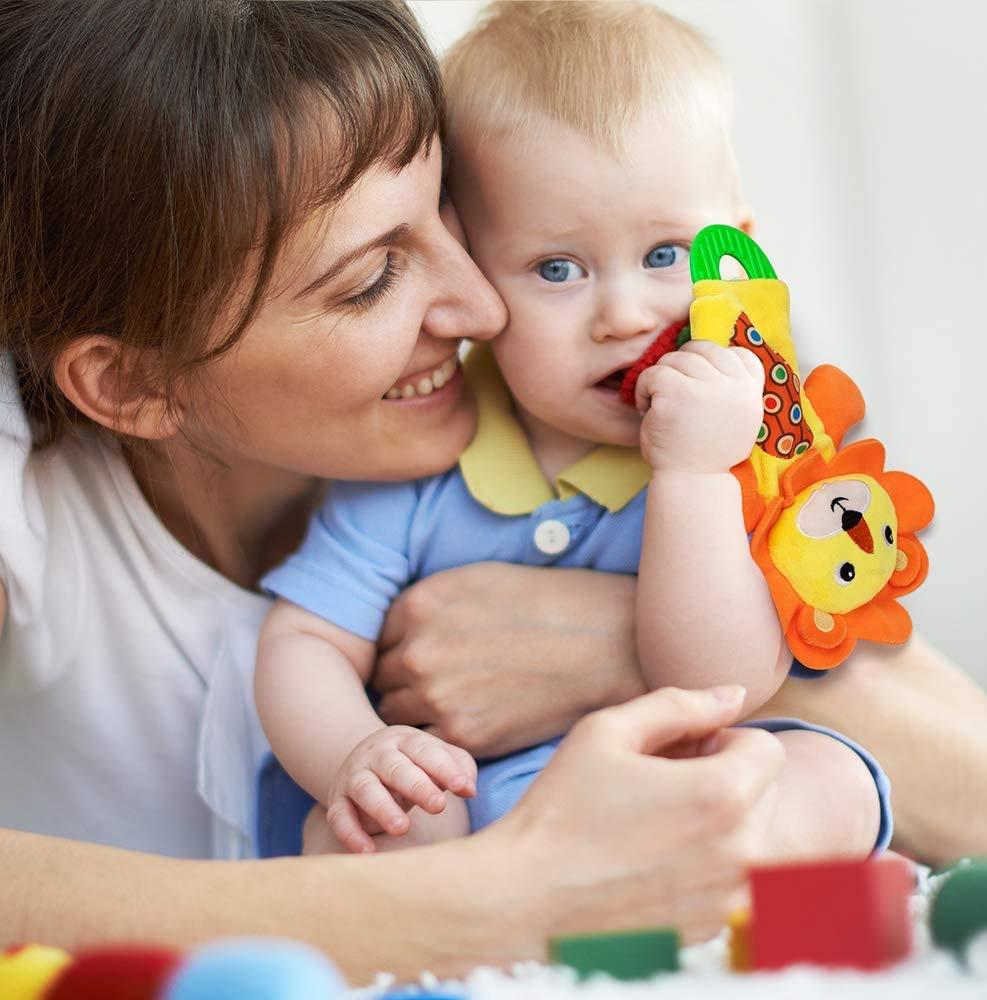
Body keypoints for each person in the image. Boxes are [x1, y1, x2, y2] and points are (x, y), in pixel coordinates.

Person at [0, 0, 987, 987]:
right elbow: (313, 670)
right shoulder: (52, 496)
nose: (481, 304)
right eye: (366, 279)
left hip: (690, 815)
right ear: (133, 382)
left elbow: (974, 783)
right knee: (390, 821)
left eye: (446, 211)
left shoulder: (693, 398)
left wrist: (615, 643)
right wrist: (478, 886)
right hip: (470, 830)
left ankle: (797, 929)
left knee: (820, 784)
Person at [254, 0, 887, 859]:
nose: (624, 315)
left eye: (667, 255)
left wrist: (695, 475)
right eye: (558, 268)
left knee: (830, 780)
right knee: (380, 824)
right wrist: (355, 754)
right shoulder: (427, 449)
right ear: (475, 273)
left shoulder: (756, 451)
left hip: (680, 791)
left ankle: (690, 913)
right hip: (490, 816)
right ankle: (487, 933)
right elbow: (304, 641)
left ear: (736, 258)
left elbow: (721, 682)